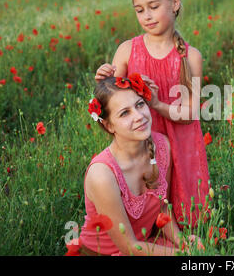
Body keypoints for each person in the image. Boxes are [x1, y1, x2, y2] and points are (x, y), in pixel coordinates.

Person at [95, 0, 210, 228]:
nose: (147, 15)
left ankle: (187, 245)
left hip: (180, 142)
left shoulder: (190, 57)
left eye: (154, 6)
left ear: (175, 3)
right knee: (148, 208)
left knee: (182, 204)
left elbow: (191, 112)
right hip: (141, 140)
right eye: (139, 10)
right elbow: (112, 96)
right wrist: (105, 78)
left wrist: (157, 104)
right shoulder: (127, 51)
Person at [79, 74, 185, 256]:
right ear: (109, 126)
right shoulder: (102, 175)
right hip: (111, 251)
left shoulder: (162, 146)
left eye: (139, 104)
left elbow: (163, 207)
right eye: (125, 113)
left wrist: (183, 244)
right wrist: (185, 256)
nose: (139, 116)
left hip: (143, 244)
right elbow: (128, 246)